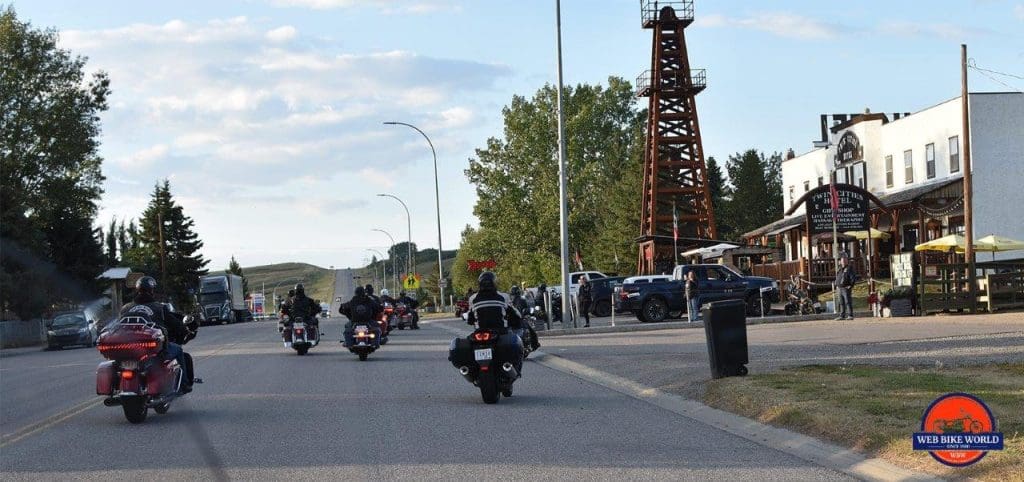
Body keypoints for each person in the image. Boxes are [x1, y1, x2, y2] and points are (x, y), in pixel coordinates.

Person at [119, 276, 196, 392]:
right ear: (151, 290)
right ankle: (184, 385)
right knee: (178, 350)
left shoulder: (125, 308)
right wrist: (185, 330)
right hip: (152, 349)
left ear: (137, 289)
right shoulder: (159, 308)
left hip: (129, 349)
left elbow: (118, 325)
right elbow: (176, 324)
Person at [466, 272, 524, 373]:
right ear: (494, 283)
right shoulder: (503, 297)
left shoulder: (473, 298)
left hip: (480, 333)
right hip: (500, 331)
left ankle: (473, 371)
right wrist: (517, 320)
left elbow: (470, 319)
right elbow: (516, 314)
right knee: (517, 345)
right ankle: (514, 369)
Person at [509, 285, 540, 351]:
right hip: (519, 319)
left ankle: (532, 344)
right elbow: (524, 309)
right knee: (532, 331)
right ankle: (535, 344)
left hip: (511, 321)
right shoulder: (521, 300)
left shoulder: (510, 301)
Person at [835, 253, 856, 320]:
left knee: (848, 301)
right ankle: (842, 315)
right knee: (841, 302)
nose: (843, 261)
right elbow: (838, 277)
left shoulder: (849, 268)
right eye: (842, 259)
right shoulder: (840, 269)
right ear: (840, 261)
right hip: (839, 288)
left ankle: (850, 315)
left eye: (845, 259)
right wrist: (837, 284)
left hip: (846, 287)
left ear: (847, 260)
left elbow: (853, 278)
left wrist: (851, 285)